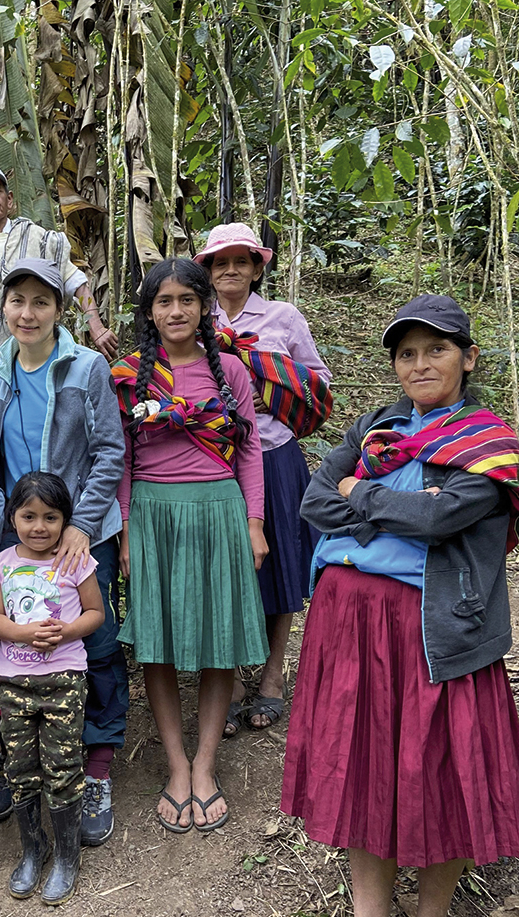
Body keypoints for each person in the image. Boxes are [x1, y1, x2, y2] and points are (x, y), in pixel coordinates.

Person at [280, 295, 519, 917]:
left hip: (432, 631)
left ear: (467, 358)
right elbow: (313, 500)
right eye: (407, 353)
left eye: (436, 350)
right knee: (362, 772)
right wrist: (387, 506)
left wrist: (363, 497)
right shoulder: (376, 427)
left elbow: (443, 520)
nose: (420, 364)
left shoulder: (489, 446)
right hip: (348, 623)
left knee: (437, 774)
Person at [0, 257, 127, 847]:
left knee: (95, 641)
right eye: (17, 302)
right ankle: (21, 758)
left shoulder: (85, 367)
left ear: (61, 310)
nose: (27, 313)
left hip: (81, 530)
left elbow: (110, 451)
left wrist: (81, 524)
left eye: (41, 302)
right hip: (18, 532)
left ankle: (96, 765)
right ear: (3, 309)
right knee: (15, 638)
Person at [112, 257, 268, 833]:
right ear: (148, 313)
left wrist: (253, 522)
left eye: (186, 300)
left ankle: (206, 765)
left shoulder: (231, 371)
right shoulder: (129, 374)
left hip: (218, 511)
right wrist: (126, 528)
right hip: (153, 515)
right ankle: (176, 766)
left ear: (204, 307)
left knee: (216, 639)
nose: (175, 311)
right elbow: (121, 457)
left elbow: (249, 451)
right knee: (158, 642)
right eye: (163, 302)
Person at [192, 222, 333, 734]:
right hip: (210, 463)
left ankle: (272, 674)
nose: (231, 269)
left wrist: (261, 368)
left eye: (241, 261)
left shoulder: (282, 317)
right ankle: (226, 678)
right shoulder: (193, 315)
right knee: (222, 568)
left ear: (257, 267)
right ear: (208, 271)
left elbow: (316, 384)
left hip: (274, 455)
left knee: (279, 564)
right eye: (220, 262)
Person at [0, 472, 104, 904]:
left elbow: (96, 612)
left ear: (64, 520)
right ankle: (33, 851)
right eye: (29, 516)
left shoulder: (75, 561)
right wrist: (19, 634)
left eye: (51, 517)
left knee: (62, 764)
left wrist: (67, 631)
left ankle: (67, 857)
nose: (39, 526)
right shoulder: (3, 562)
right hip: (13, 683)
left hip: (64, 680)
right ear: (12, 517)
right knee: (19, 767)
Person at [0, 164, 117, 392]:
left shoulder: (37, 239)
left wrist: (96, 327)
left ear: (9, 200)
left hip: (30, 357)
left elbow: (76, 284)